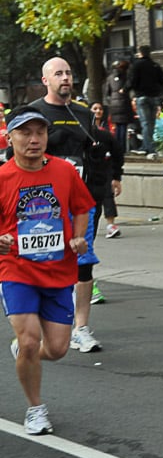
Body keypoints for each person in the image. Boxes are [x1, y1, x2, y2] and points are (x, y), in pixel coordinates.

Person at [1, 107, 95, 434]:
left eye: (39, 132)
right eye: (25, 133)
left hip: (58, 272)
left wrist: (80, 236)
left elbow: (82, 207)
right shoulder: (2, 178)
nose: (33, 139)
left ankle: (26, 354)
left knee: (56, 350)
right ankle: (35, 409)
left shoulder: (64, 172)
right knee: (29, 341)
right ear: (9, 137)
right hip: (16, 271)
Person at [30, 58, 120, 353]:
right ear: (46, 80)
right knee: (47, 263)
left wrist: (103, 185)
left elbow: (98, 150)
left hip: (81, 200)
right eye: (58, 74)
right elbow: (17, 155)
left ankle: (80, 328)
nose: (65, 78)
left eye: (68, 73)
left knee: (83, 262)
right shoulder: (34, 112)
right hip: (44, 203)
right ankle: (43, 326)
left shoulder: (83, 113)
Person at [89, 103, 122, 241]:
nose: (98, 111)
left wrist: (117, 176)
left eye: (100, 109)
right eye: (95, 109)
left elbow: (117, 152)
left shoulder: (107, 130)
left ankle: (110, 225)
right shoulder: (83, 130)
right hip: (90, 169)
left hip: (106, 167)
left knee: (108, 195)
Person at [126, 45, 163, 155]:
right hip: (154, 97)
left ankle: (147, 147)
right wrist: (157, 90)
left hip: (142, 96)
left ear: (140, 53)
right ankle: (150, 146)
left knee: (145, 123)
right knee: (151, 123)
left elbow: (132, 80)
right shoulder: (155, 65)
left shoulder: (137, 65)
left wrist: (125, 89)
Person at [103, 59, 132, 154]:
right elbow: (129, 86)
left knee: (116, 127)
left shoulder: (110, 78)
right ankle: (122, 149)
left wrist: (111, 102)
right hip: (124, 103)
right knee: (123, 127)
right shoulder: (126, 76)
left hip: (114, 104)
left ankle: (116, 148)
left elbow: (107, 92)